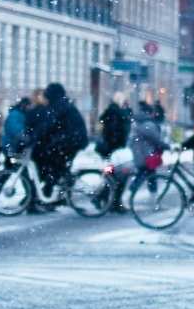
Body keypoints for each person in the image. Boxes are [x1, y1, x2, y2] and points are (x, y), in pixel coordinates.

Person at [28, 83, 89, 213]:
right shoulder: (63, 103)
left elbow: (49, 125)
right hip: (74, 140)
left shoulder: (58, 106)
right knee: (56, 167)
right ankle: (57, 194)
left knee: (51, 166)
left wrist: (35, 137)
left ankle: (54, 194)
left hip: (70, 141)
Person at [128, 90, 171, 195]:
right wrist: (167, 147)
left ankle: (150, 194)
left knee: (147, 174)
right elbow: (156, 140)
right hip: (146, 155)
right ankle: (148, 194)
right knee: (147, 174)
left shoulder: (140, 123)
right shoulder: (148, 125)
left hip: (142, 154)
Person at [96, 92, 133, 160]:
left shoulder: (109, 111)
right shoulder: (120, 113)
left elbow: (101, 122)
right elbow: (123, 127)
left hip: (108, 140)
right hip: (115, 142)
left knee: (107, 161)